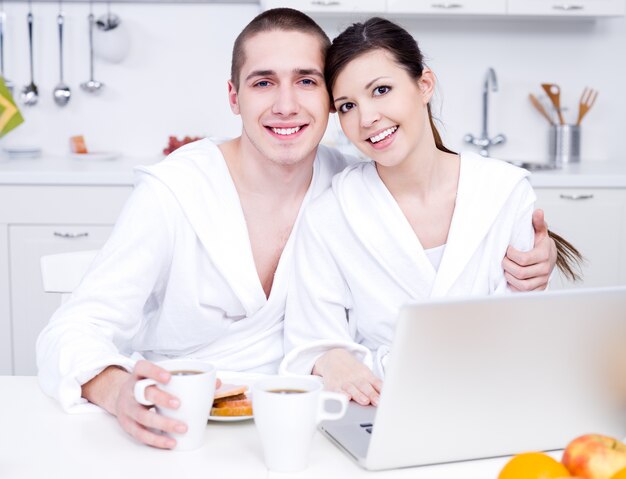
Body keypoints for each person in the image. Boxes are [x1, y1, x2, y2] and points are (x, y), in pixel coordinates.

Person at [36, 9, 556, 450]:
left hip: (308, 425)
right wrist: (116, 389)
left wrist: (533, 262)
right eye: (264, 82)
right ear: (234, 96)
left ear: (329, 102)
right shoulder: (175, 192)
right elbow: (73, 328)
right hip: (182, 423)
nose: (286, 105)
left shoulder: (348, 181)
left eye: (307, 81)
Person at [281, 17, 581, 408]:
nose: (367, 118)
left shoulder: (504, 191)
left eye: (382, 90)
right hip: (382, 408)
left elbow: (522, 329)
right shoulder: (330, 216)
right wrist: (331, 358)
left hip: (498, 402)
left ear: (424, 85)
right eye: (348, 106)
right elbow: (312, 341)